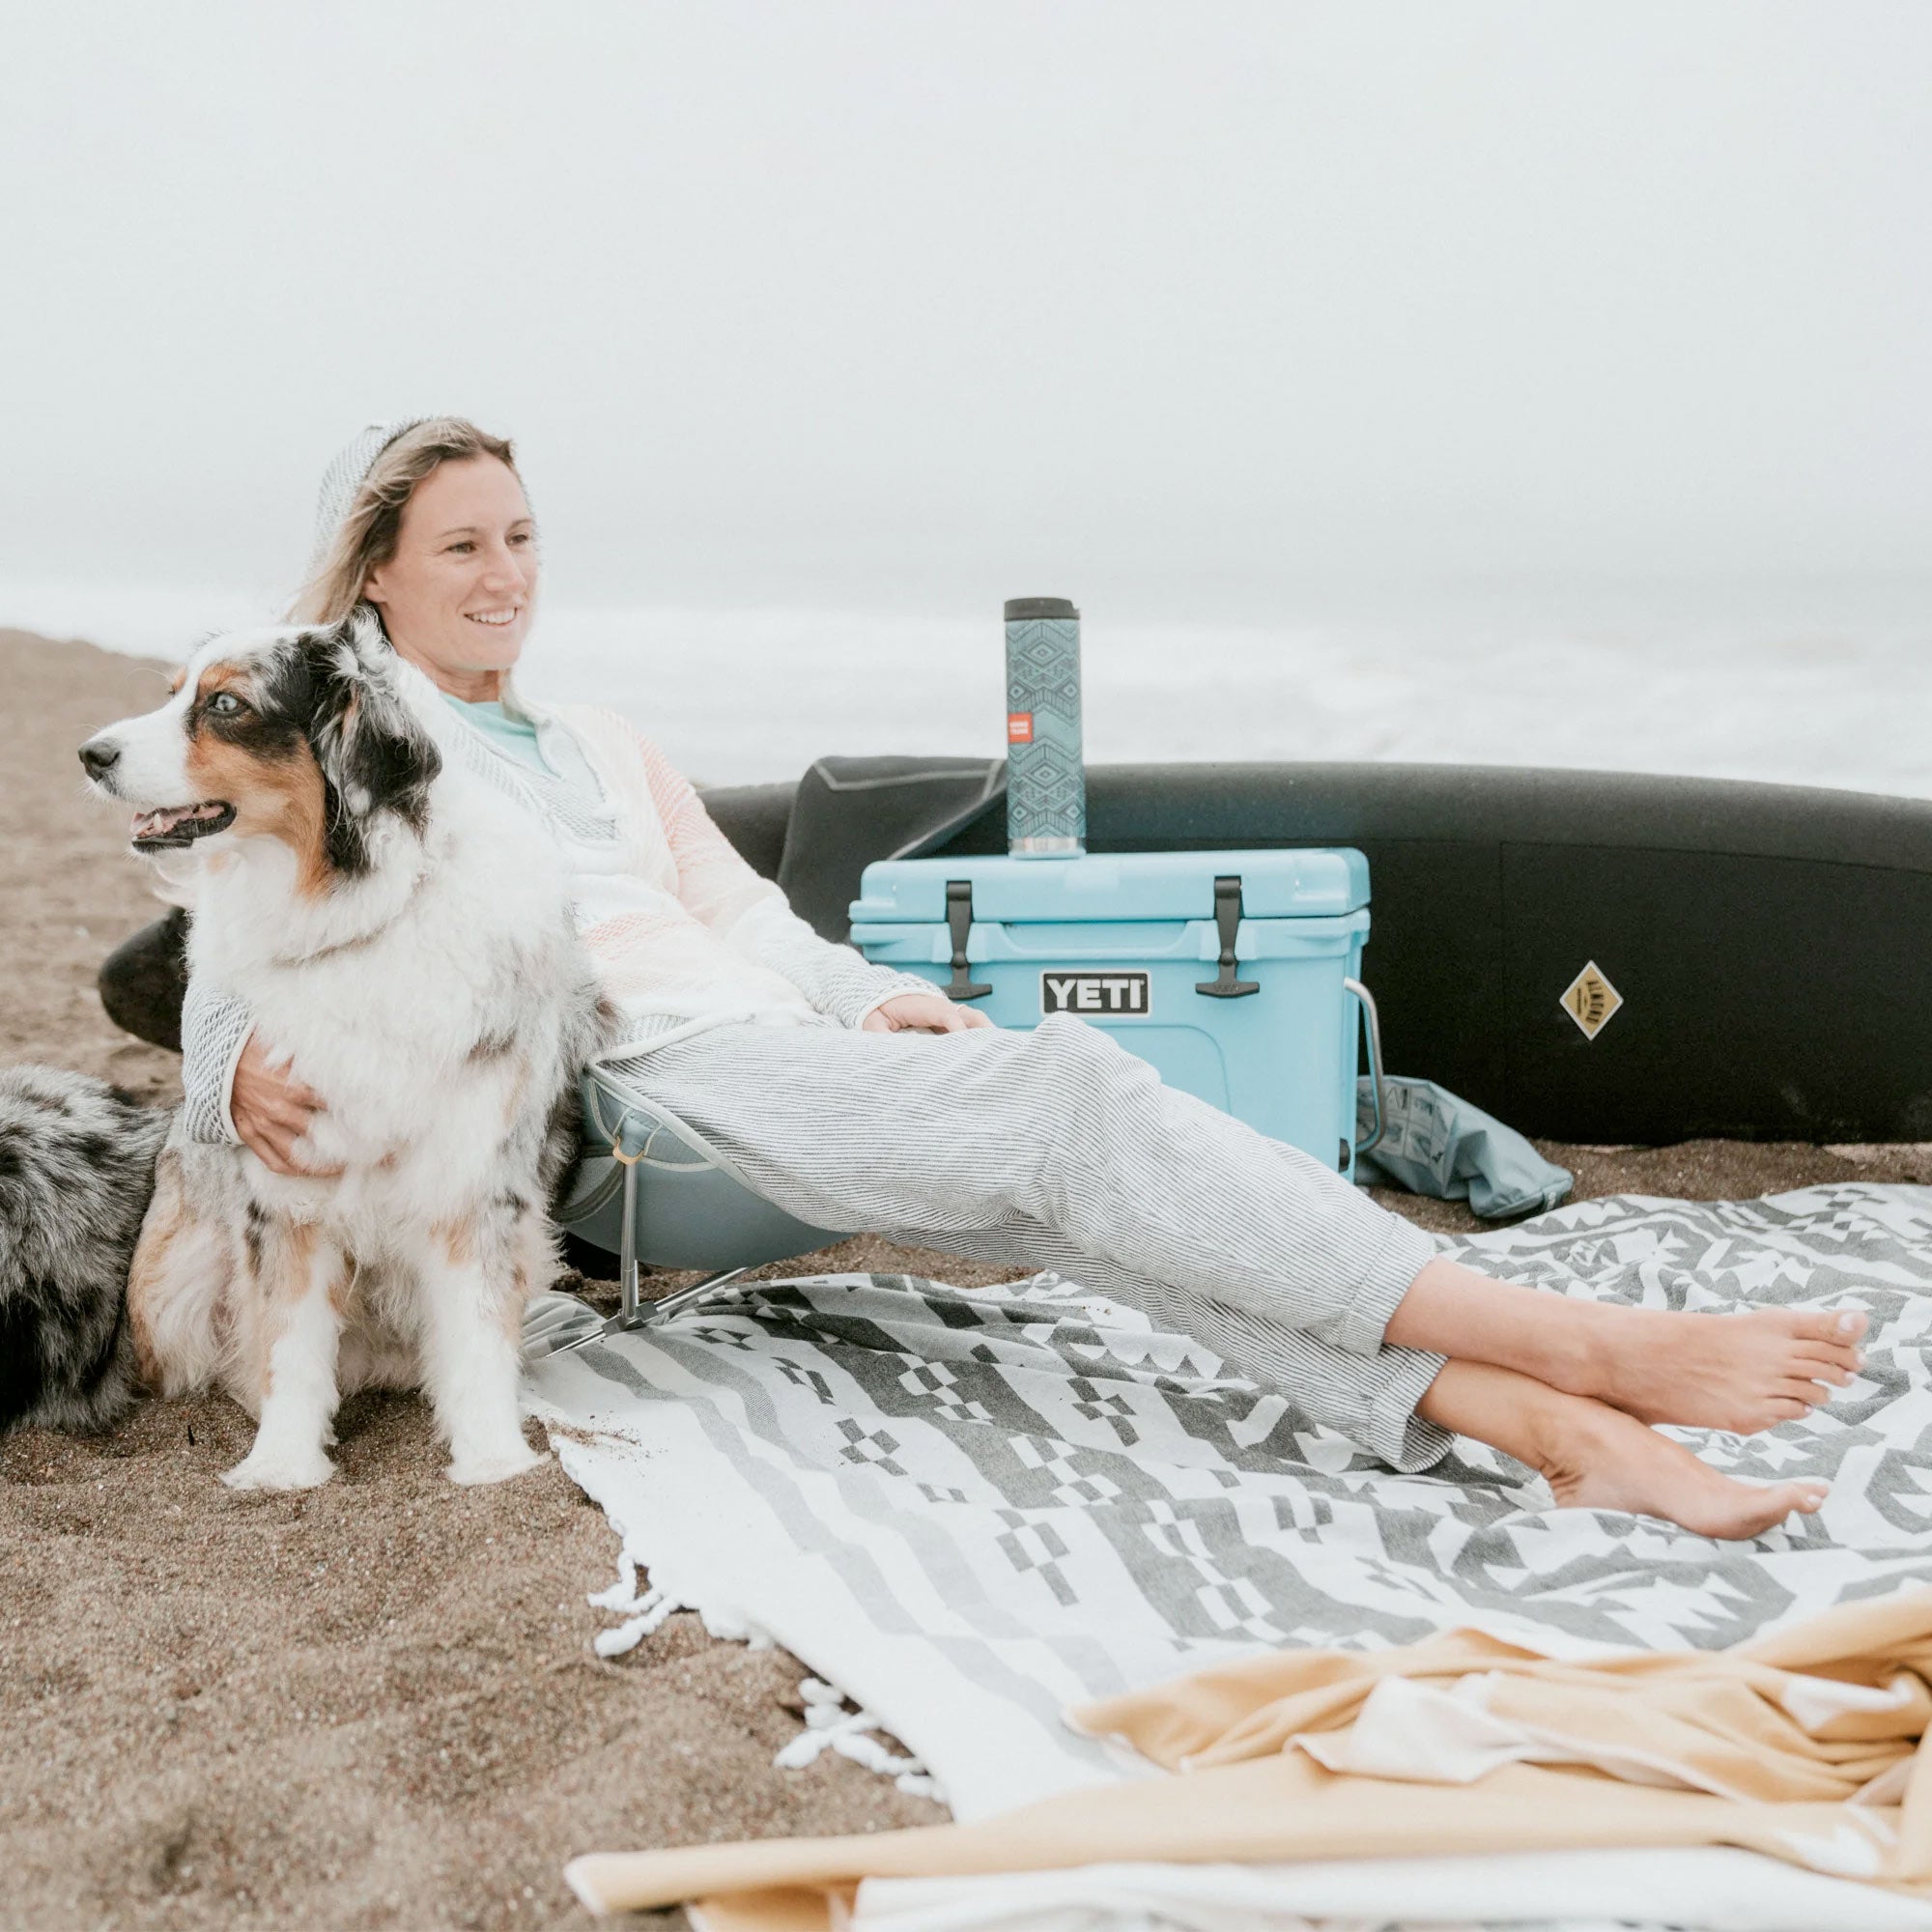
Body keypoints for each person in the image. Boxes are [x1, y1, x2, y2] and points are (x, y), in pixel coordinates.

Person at [126, 416, 1865, 1538]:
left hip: (757, 1045)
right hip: (630, 1100)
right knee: (1073, 1101)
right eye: (462, 548)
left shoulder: (593, 734)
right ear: (378, 574)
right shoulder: (354, 736)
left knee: (1084, 1193)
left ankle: (1553, 1429)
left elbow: (747, 922)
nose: (505, 575)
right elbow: (234, 931)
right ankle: (1595, 1343)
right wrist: (224, 1081)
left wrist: (868, 999)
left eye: (519, 537)